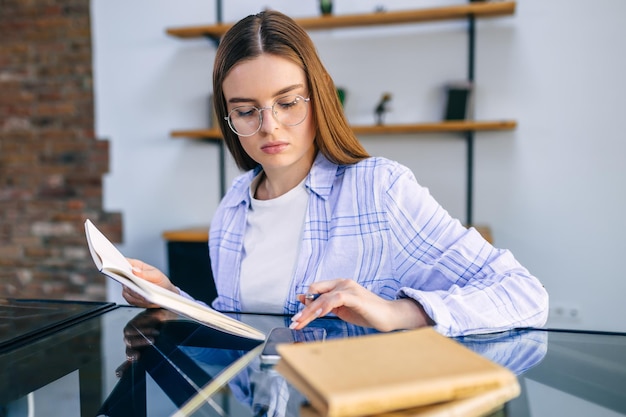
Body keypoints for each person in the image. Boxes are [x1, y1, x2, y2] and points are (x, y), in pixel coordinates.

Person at [123, 10, 548, 337]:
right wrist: (169, 298)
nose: (268, 126)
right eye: (246, 111)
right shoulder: (233, 205)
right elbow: (241, 330)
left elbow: (524, 294)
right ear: (228, 117)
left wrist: (398, 313)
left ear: (318, 98)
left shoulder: (380, 190)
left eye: (287, 103)